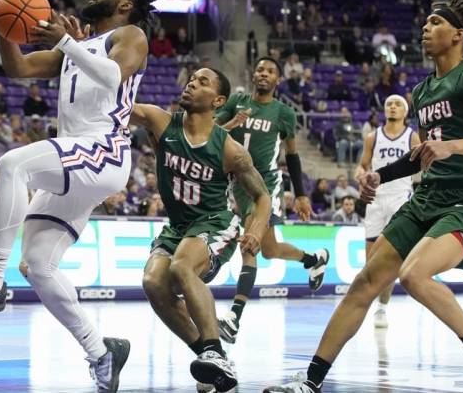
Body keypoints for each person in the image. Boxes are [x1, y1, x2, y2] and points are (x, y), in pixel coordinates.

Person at [264, 0, 463, 393]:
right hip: (424, 199)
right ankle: (310, 381)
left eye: (435, 22)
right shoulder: (423, 90)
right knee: (364, 283)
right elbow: (423, 154)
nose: (425, 29)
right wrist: (384, 173)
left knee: (414, 276)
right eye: (424, 23)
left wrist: (453, 146)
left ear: (458, 34)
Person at [0, 0, 156, 392]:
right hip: (80, 157)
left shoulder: (131, 36)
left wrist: (67, 41)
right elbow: (16, 67)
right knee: (37, 265)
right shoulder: (77, 47)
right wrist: (5, 21)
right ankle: (101, 353)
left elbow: (112, 77)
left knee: (13, 164)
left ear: (125, 4)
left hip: (104, 149)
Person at [134, 67, 270, 392]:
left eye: (202, 82)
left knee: (182, 265)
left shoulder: (229, 149)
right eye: (192, 78)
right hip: (177, 227)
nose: (192, 83)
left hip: (215, 222)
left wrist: (257, 229)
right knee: (153, 283)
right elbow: (118, 106)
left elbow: (262, 196)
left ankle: (212, 348)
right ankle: (213, 359)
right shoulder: (160, 121)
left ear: (218, 100)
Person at [213, 57, 329, 344]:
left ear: (278, 80)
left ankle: (234, 317)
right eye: (260, 69)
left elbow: (291, 155)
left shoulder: (284, 113)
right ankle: (315, 259)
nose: (263, 73)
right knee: (271, 249)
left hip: (264, 184)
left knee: (249, 245)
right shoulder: (236, 101)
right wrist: (232, 123)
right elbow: (211, 133)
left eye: (270, 71)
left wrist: (301, 194)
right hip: (234, 182)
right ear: (254, 75)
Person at [353, 94, 420, 328]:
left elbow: (421, 165)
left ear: (405, 111)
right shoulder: (373, 137)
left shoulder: (413, 137)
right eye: (389, 103)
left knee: (390, 258)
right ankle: (369, 302)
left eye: (397, 104)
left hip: (400, 198)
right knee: (370, 260)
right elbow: (362, 165)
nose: (392, 106)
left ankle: (381, 308)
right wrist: (360, 176)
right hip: (375, 199)